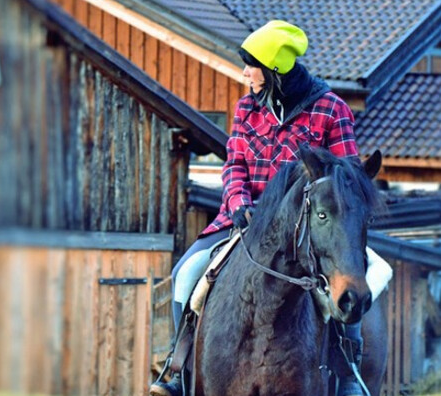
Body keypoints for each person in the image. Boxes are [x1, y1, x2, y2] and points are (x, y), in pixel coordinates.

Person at [150, 20, 378, 396]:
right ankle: (177, 369)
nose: (244, 72)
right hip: (244, 220)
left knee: (353, 281)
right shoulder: (246, 109)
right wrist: (238, 203)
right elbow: (234, 165)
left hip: (311, 229)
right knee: (186, 272)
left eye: (251, 65)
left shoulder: (331, 109)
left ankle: (349, 372)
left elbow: (348, 180)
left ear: (273, 71)